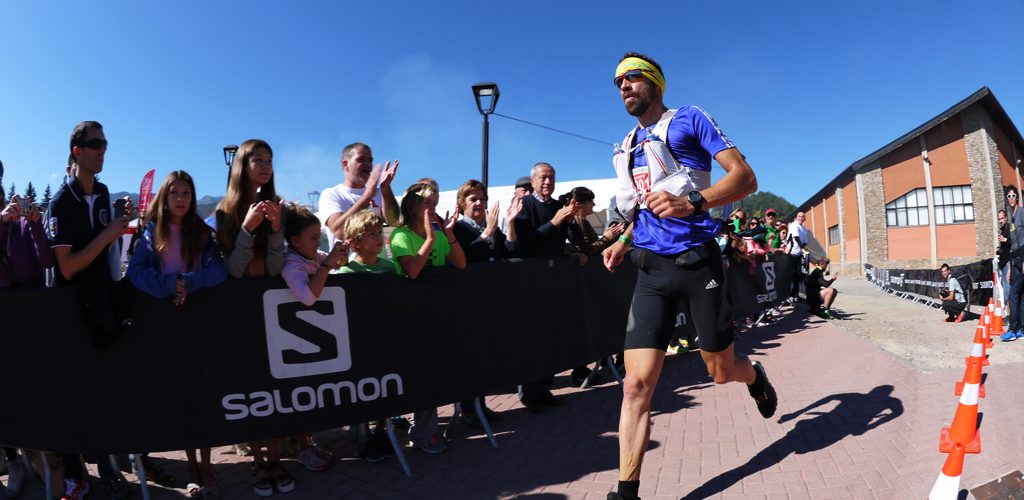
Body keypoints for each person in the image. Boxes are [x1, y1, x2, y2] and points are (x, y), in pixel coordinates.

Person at [601, 53, 776, 500]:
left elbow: (745, 177)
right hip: (651, 270)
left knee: (720, 371)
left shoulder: (689, 119)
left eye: (632, 77)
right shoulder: (626, 146)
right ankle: (627, 492)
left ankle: (753, 376)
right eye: (617, 81)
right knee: (636, 384)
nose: (623, 86)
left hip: (699, 263)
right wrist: (623, 241)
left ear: (655, 83)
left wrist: (693, 203)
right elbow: (641, 204)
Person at [125, 171, 228, 499]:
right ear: (165, 197)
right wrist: (168, 286)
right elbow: (136, 273)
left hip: (199, 323)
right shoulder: (150, 233)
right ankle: (191, 468)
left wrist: (190, 282)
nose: (181, 198)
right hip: (165, 325)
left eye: (186, 192)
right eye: (175, 193)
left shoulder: (202, 232)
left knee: (203, 396)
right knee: (183, 398)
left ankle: (208, 467)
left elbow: (219, 270)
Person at [212, 139, 292, 496]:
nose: (264, 165)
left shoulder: (278, 206)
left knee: (276, 389)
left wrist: (275, 232)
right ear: (241, 165)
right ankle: (257, 463)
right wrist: (246, 230)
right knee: (251, 391)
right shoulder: (223, 212)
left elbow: (276, 268)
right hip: (241, 315)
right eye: (257, 159)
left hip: (274, 310)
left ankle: (275, 460)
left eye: (269, 160)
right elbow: (232, 271)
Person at [390, 181, 466, 453]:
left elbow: (460, 263)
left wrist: (447, 234)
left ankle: (427, 430)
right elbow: (411, 271)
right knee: (422, 378)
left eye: (435, 203)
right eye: (427, 203)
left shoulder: (438, 234)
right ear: (412, 206)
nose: (432, 208)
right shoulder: (401, 235)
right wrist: (431, 240)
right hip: (412, 319)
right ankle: (421, 433)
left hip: (436, 316)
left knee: (435, 375)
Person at [0, 161, 53, 498]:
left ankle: (42, 468)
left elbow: (46, 262)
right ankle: (13, 462)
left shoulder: (18, 225)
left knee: (29, 398)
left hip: (28, 326)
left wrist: (34, 226)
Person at [451, 179, 523, 423]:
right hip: (468, 302)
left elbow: (511, 252)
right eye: (473, 199)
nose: (480, 203)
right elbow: (469, 255)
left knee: (484, 358)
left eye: (482, 199)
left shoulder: (490, 226)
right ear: (462, 204)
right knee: (471, 358)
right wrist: (489, 231)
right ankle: (468, 410)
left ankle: (480, 406)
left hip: (490, 301)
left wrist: (509, 222)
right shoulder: (459, 228)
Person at [513, 162, 577, 410]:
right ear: (533, 180)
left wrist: (569, 220)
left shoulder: (557, 206)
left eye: (551, 177)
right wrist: (554, 222)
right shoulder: (525, 205)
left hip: (554, 279)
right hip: (531, 281)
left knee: (550, 337)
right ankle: (529, 394)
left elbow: (571, 240)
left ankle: (544, 389)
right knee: (533, 340)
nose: (547, 181)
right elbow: (525, 244)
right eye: (543, 177)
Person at [318, 143, 399, 249]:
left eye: (370, 160)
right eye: (361, 159)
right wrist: (367, 197)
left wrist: (386, 188)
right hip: (347, 265)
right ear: (345, 164)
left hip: (378, 264)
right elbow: (340, 232)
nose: (368, 164)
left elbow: (393, 221)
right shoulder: (332, 194)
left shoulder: (379, 192)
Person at [1004, 186, 1024, 341]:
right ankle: (1021, 329)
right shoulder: (1010, 216)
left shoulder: (1022, 212)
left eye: (1013, 195)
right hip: (1015, 259)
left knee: (1013, 294)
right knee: (1020, 295)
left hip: (1023, 258)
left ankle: (1013, 329)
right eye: (1008, 196)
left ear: (1017, 197)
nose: (1011, 198)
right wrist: (1010, 267)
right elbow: (1012, 245)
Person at [786, 211, 808, 305]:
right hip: (791, 253)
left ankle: (795, 296)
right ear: (796, 217)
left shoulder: (804, 228)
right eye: (799, 216)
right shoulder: (794, 225)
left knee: (798, 275)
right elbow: (796, 238)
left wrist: (805, 250)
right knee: (792, 275)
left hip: (798, 255)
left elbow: (805, 242)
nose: (801, 218)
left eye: (802, 217)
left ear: (804, 219)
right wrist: (803, 249)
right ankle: (789, 296)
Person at [997, 209, 1010, 312]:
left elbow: (1015, 243)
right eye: (999, 219)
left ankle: (1011, 316)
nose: (1000, 220)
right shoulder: (1002, 230)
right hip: (1003, 263)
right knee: (1004, 287)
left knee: (1008, 289)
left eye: (1002, 218)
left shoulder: (1009, 228)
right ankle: (1009, 314)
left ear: (1006, 218)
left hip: (1008, 263)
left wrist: (1004, 240)